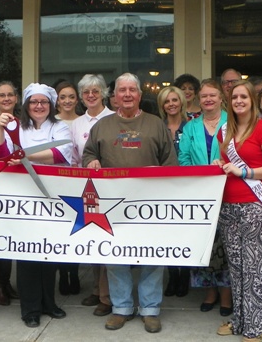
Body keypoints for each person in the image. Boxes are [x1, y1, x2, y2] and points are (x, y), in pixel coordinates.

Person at [82, 72, 178, 334]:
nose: (126, 95)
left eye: (131, 90)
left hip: (149, 202)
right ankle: (121, 307)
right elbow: (88, 154)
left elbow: (170, 161)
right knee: (115, 256)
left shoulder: (156, 123)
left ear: (139, 94)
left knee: (151, 255)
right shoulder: (101, 126)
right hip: (112, 203)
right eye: (121, 90)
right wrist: (91, 161)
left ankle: (150, 309)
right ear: (114, 97)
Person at [0, 83, 72, 328]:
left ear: (51, 105)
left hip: (52, 197)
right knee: (26, 255)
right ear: (26, 105)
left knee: (49, 253)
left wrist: (23, 154)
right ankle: (31, 309)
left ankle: (49, 303)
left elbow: (60, 154)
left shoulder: (60, 127)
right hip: (23, 198)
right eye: (34, 102)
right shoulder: (16, 127)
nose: (39, 106)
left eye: (44, 102)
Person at [214, 80, 262, 342]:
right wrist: (220, 163)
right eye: (234, 98)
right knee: (237, 267)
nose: (239, 101)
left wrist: (245, 171)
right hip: (229, 207)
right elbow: (228, 164)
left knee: (257, 267)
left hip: (255, 205)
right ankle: (241, 320)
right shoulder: (226, 131)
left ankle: (260, 326)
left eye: (244, 97)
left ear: (252, 101)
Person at [178, 79, 232, 315]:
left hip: (230, 190)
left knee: (228, 244)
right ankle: (209, 291)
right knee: (206, 244)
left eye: (213, 95)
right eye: (204, 96)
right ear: (198, 100)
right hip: (200, 193)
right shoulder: (191, 126)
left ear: (221, 98)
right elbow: (184, 157)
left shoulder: (233, 123)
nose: (208, 99)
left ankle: (227, 294)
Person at [71, 74, 114, 316]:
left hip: (109, 189)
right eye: (86, 91)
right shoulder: (77, 124)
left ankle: (107, 297)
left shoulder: (113, 119)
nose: (90, 95)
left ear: (104, 93)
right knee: (92, 242)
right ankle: (97, 290)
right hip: (85, 188)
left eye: (95, 91)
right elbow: (76, 158)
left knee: (107, 241)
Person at [0, 81, 21, 306]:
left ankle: (6, 281)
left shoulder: (22, 123)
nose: (6, 98)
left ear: (16, 99)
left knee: (8, 237)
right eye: (2, 95)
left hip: (14, 188)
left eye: (10, 95)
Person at [156, 86, 190, 297]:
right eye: (167, 101)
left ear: (181, 102)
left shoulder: (192, 126)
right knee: (166, 233)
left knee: (185, 232)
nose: (171, 104)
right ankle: (172, 276)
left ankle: (184, 276)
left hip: (186, 186)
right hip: (162, 186)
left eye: (174, 100)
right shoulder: (157, 127)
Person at [52, 80, 81, 297]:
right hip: (57, 182)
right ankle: (63, 274)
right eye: (63, 97)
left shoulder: (83, 122)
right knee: (61, 230)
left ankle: (75, 272)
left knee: (78, 228)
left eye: (71, 96)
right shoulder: (52, 124)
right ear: (57, 100)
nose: (67, 101)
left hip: (81, 181)